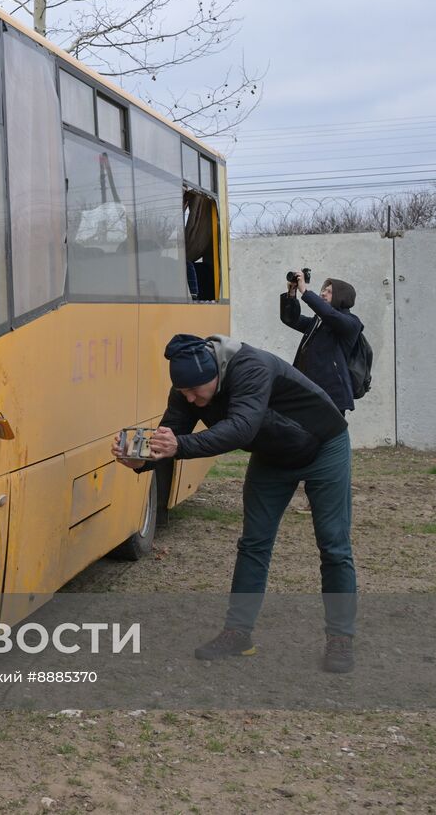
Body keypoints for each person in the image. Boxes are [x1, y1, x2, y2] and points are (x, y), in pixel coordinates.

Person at [113, 333, 357, 673]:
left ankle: (340, 639)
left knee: (333, 545)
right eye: (183, 392)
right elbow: (170, 438)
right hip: (272, 455)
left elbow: (241, 428)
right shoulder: (187, 389)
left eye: (196, 390)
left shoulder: (251, 367)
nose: (192, 399)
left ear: (214, 373)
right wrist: (142, 460)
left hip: (323, 445)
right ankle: (238, 633)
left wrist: (179, 446)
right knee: (254, 543)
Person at [280, 273, 362, 414]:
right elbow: (291, 319)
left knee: (330, 436)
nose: (323, 294)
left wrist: (305, 292)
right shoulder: (319, 322)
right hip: (307, 391)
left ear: (341, 297)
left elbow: (331, 315)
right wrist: (292, 294)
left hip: (331, 395)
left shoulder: (351, 322)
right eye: (323, 290)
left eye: (329, 292)